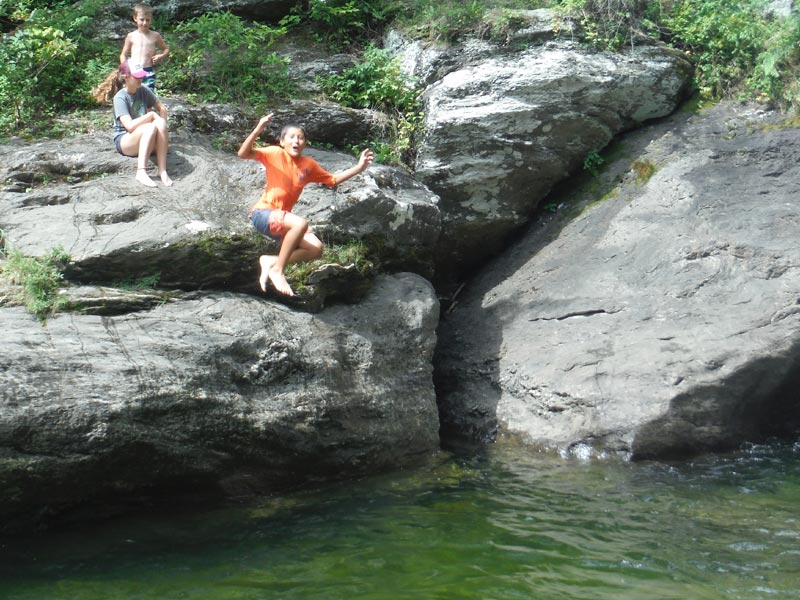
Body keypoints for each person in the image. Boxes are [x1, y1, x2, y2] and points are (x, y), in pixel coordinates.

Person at [238, 114, 374, 296]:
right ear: (282, 141)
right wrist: (258, 129)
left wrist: (359, 168)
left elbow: (332, 180)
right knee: (300, 223)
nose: (296, 141)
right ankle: (278, 270)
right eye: (292, 137)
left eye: (300, 138)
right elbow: (243, 153)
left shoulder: (308, 165)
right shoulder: (274, 153)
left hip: (281, 221)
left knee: (315, 248)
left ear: (305, 143)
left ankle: (271, 261)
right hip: (263, 214)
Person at [113, 59, 173, 187]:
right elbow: (129, 127)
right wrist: (151, 115)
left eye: (141, 76)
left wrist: (162, 130)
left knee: (160, 123)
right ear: (126, 77)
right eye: (137, 76)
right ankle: (141, 172)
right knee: (150, 127)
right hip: (125, 140)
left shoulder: (143, 90)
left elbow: (162, 108)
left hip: (145, 136)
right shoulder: (120, 97)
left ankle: (162, 170)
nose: (141, 79)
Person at [119, 3, 169, 91]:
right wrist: (125, 69)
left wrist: (161, 56)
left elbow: (166, 49)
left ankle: (148, 105)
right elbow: (123, 55)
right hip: (134, 70)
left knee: (148, 96)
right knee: (133, 96)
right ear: (135, 18)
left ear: (151, 20)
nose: (145, 23)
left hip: (148, 71)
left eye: (148, 20)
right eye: (142, 19)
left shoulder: (155, 35)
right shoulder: (131, 36)